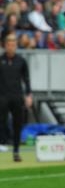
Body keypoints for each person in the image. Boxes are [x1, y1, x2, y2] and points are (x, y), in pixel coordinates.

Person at [0, 33, 33, 162]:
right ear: (5, 45)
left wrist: (29, 95)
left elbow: (26, 79)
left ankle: (16, 151)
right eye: (9, 44)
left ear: (16, 46)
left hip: (17, 97)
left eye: (13, 45)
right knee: (1, 123)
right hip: (2, 97)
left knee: (17, 124)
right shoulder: (0, 60)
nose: (11, 47)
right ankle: (2, 143)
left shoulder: (21, 61)